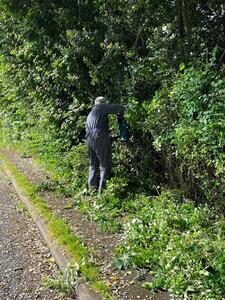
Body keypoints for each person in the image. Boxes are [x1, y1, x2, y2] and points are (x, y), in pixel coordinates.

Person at [86, 96, 124, 194]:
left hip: (89, 137)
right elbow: (119, 108)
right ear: (103, 103)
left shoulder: (91, 112)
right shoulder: (101, 107)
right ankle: (102, 193)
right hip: (98, 135)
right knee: (105, 164)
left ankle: (91, 190)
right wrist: (120, 118)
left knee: (93, 165)